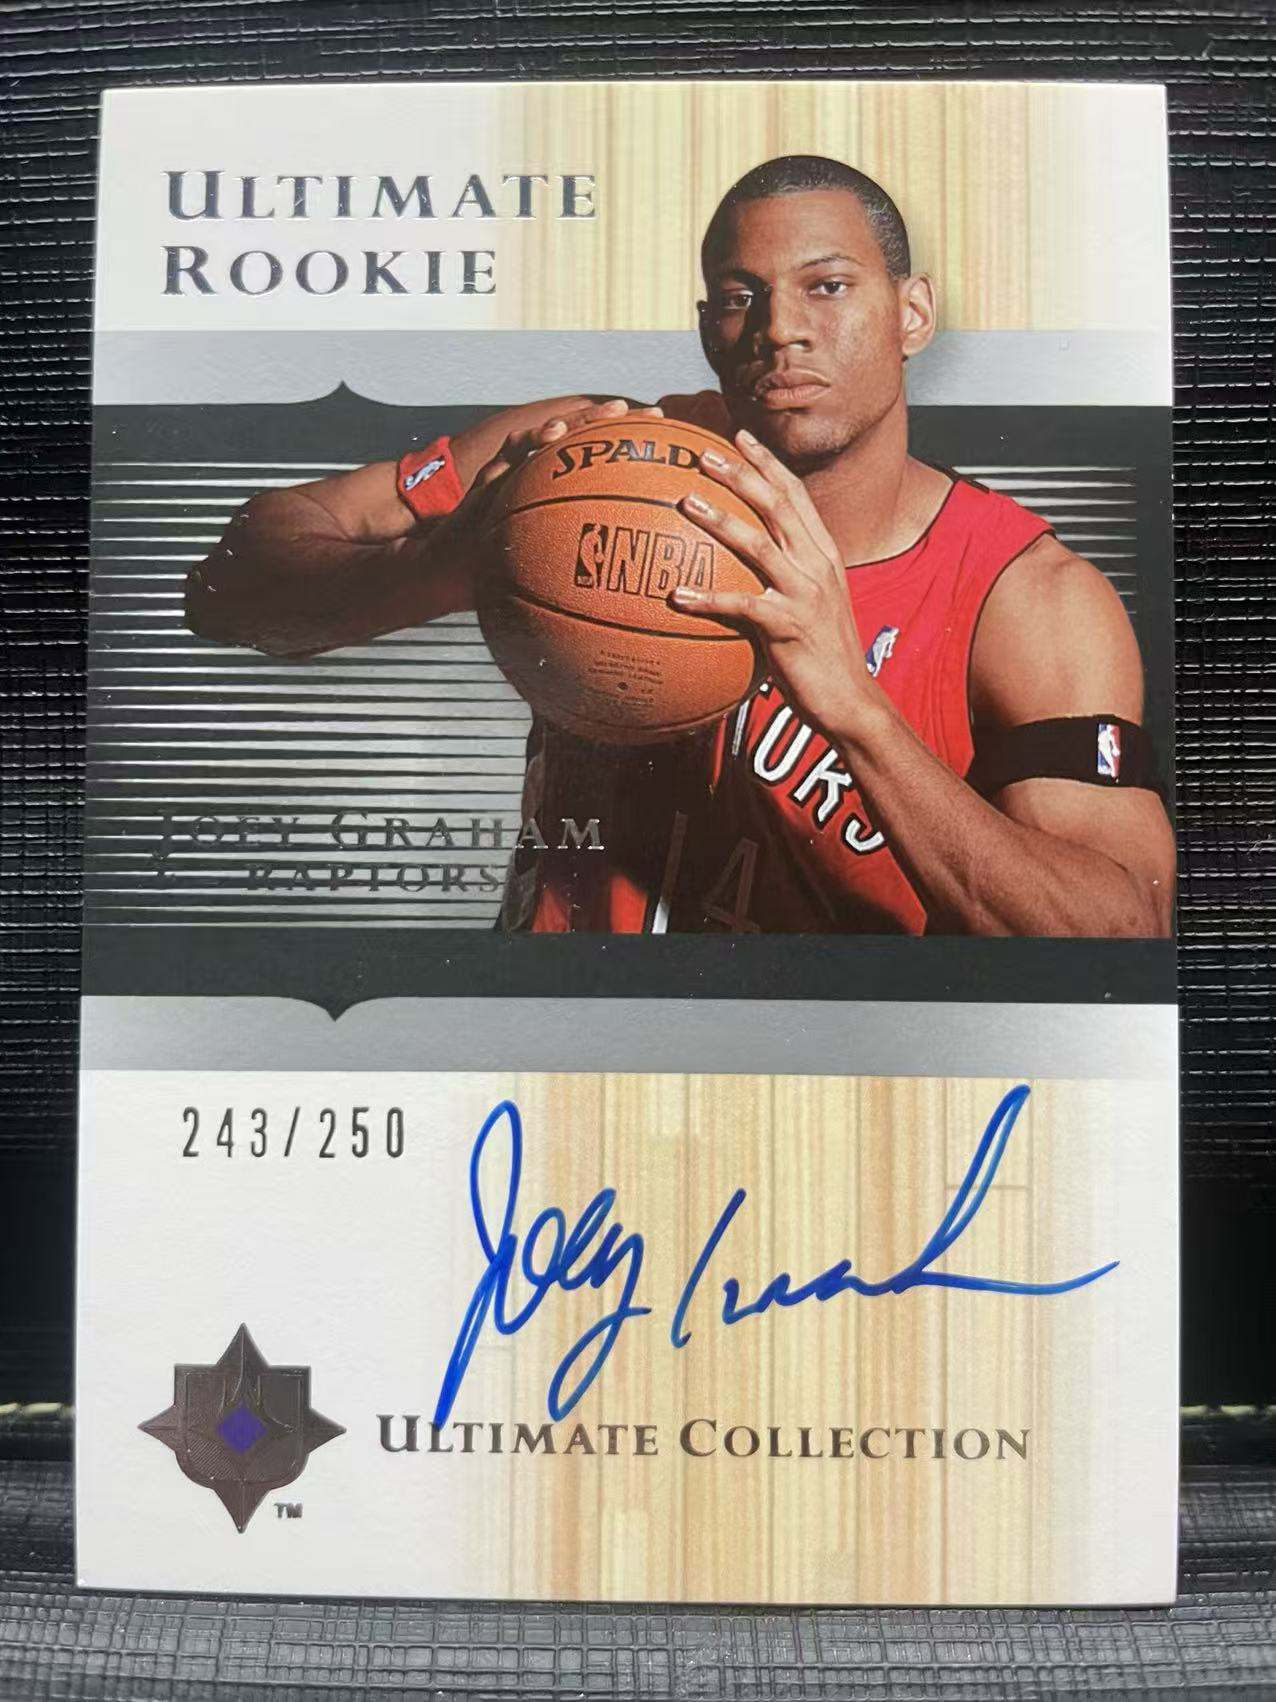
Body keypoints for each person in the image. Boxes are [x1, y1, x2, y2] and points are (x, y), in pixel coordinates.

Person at [186, 155, 1174, 937]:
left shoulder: (1023, 598)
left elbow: (1123, 931)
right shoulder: (587, 460)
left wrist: (856, 710)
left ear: (911, 313)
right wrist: (439, 566)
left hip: (813, 1081)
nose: (780, 330)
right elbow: (232, 582)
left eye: (828, 287)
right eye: (741, 296)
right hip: (545, 1046)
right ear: (708, 326)